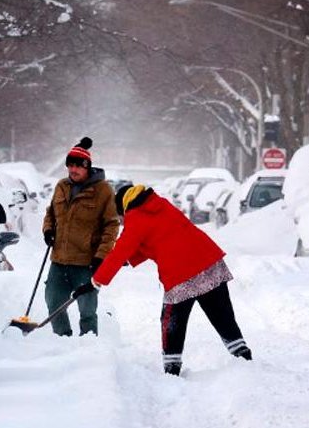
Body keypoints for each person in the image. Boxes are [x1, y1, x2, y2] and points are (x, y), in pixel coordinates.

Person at [76, 184, 253, 376]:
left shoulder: (136, 217)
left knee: (171, 322)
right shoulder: (159, 204)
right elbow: (157, 239)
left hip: (182, 275)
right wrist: (130, 259)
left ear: (123, 208)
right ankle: (244, 360)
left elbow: (120, 250)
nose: (120, 221)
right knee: (222, 317)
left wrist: (96, 280)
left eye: (120, 217)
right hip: (210, 264)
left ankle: (172, 370)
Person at [41, 136, 119, 336]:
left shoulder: (103, 191)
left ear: (87, 167)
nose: (73, 170)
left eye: (78, 166)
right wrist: (48, 230)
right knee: (53, 302)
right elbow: (50, 212)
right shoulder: (61, 186)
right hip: (59, 259)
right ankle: (63, 340)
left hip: (86, 262)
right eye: (70, 166)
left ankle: (89, 348)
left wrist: (101, 256)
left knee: (87, 310)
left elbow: (111, 226)